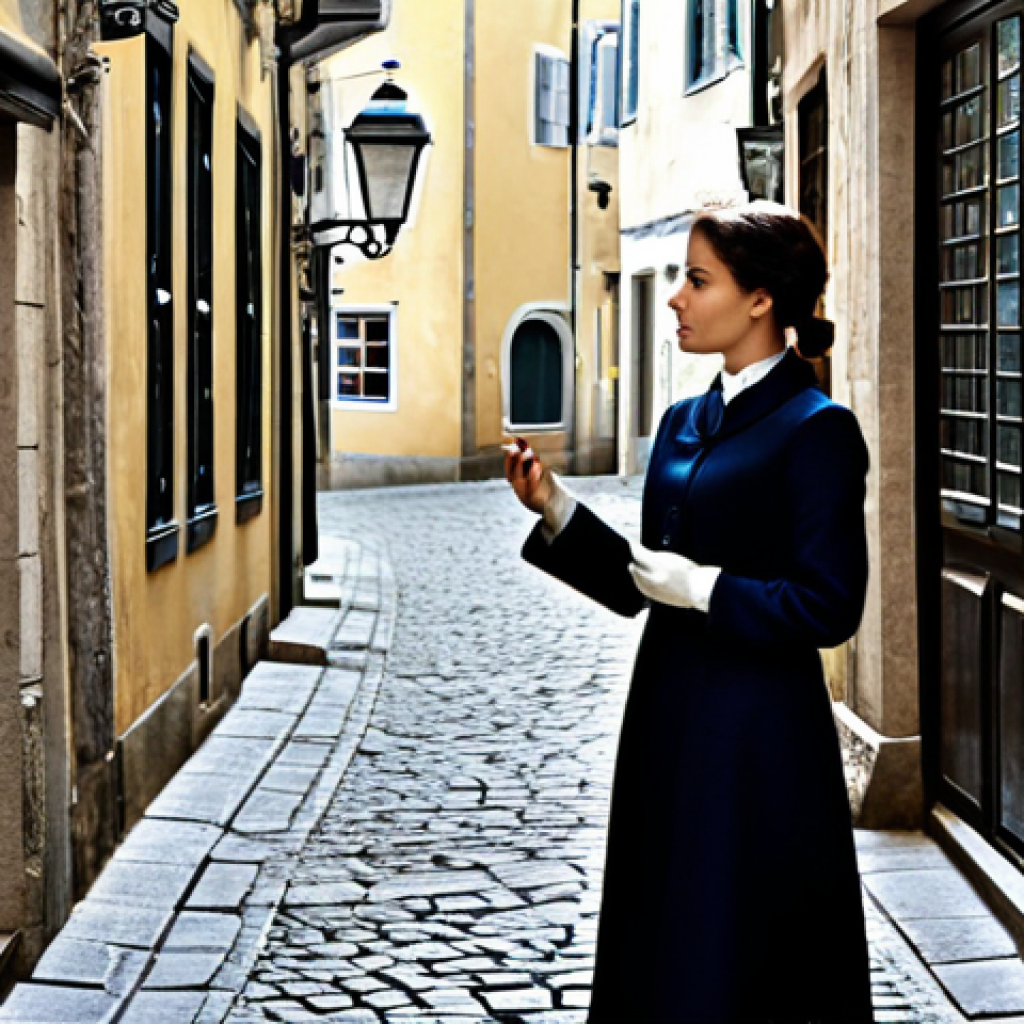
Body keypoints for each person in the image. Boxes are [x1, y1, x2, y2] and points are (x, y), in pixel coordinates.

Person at [505, 201, 874, 1024]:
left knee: (741, 946)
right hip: (665, 718)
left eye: (697, 280)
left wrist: (707, 589)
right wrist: (554, 506)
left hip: (759, 741)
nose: (675, 297)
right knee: (659, 932)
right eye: (680, 277)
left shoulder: (817, 430)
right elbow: (644, 582)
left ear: (761, 300)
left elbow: (830, 603)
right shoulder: (681, 423)